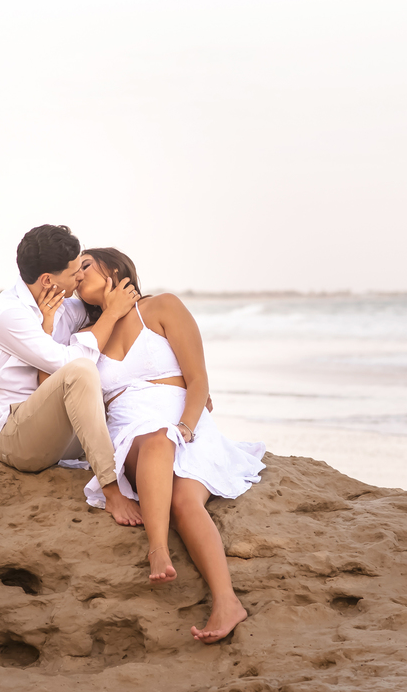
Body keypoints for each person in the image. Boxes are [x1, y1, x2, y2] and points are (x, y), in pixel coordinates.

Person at [72, 248, 266, 644]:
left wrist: (187, 427)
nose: (76, 274)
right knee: (158, 443)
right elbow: (56, 383)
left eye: (85, 265)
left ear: (113, 267)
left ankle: (227, 602)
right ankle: (157, 550)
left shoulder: (163, 306)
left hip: (184, 423)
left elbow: (198, 380)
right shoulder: (88, 338)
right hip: (129, 433)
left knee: (184, 501)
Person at [0, 225, 145, 526]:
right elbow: (69, 363)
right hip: (15, 439)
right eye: (75, 271)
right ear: (47, 280)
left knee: (128, 405)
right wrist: (110, 314)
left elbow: (113, 312)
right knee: (80, 369)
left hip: (60, 436)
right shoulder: (7, 313)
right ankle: (111, 490)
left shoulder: (64, 307)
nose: (80, 276)